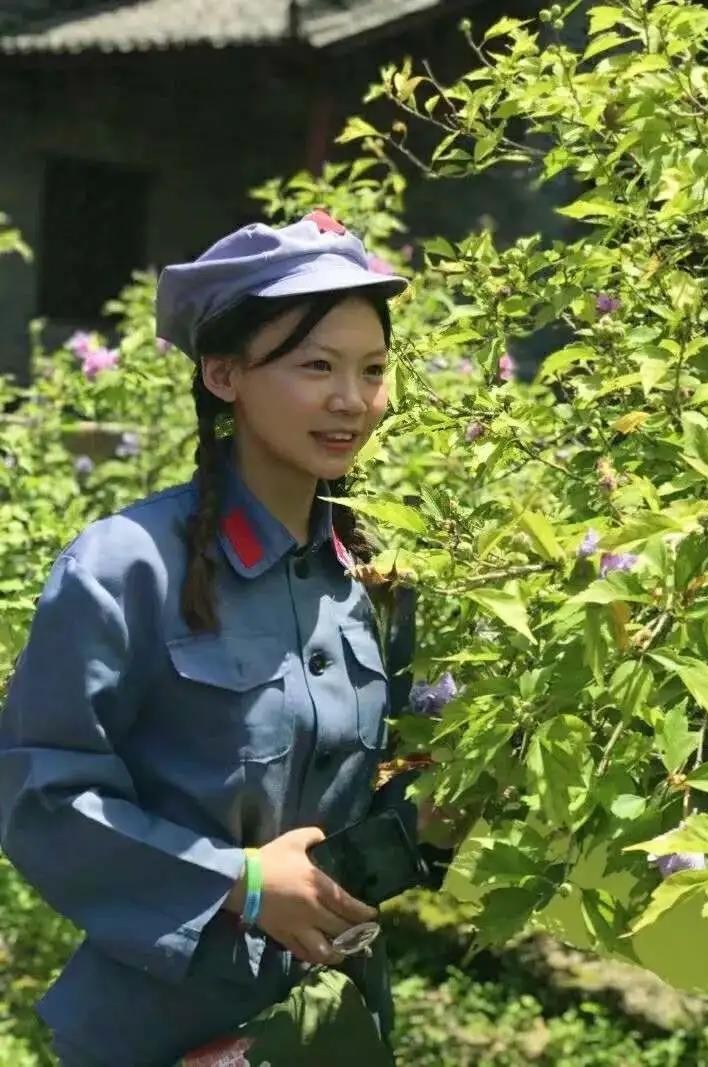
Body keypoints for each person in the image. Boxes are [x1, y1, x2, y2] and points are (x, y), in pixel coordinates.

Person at [0, 211, 429, 1066]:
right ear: (224, 373)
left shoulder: (376, 574)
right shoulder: (128, 566)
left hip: (328, 1025)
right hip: (158, 1029)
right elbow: (39, 789)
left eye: (372, 369)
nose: (353, 399)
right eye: (316, 366)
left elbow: (387, 786)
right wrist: (239, 880)